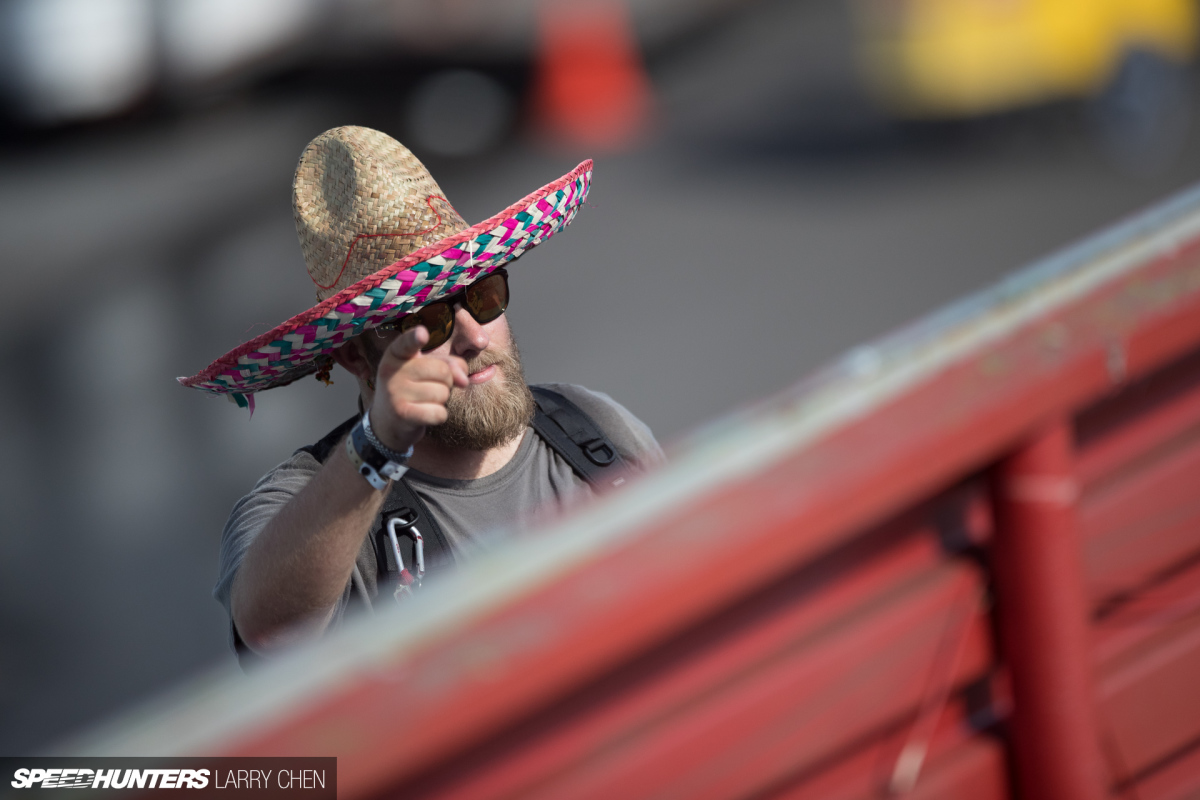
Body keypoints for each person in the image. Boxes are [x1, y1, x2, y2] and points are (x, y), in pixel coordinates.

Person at [180, 126, 664, 658]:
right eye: (427, 320)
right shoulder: (299, 503)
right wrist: (376, 448)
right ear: (353, 357)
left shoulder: (593, 427)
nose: (474, 336)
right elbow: (268, 628)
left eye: (483, 292)